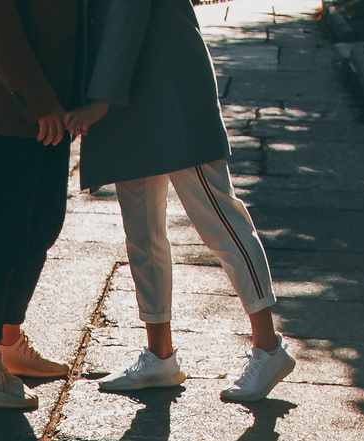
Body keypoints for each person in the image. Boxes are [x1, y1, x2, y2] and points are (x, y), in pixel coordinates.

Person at [65, 0, 294, 403]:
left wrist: (99, 97)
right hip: (128, 91)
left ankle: (269, 348)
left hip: (168, 88)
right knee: (142, 232)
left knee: (220, 222)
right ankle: (159, 355)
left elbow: (126, 12)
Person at [0, 0, 84, 409]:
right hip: (7, 103)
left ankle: (7, 341)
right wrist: (39, 99)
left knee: (44, 222)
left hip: (52, 101)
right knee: (2, 230)